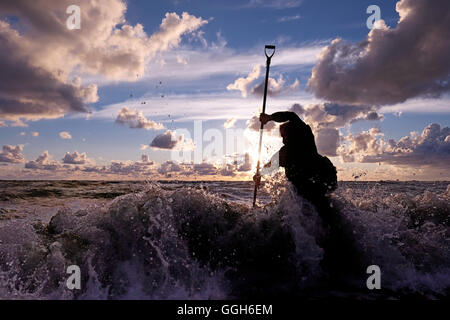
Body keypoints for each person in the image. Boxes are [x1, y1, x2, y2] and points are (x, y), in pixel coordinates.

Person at [253, 111, 337, 208]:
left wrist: (270, 117)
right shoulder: (290, 149)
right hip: (319, 179)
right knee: (317, 200)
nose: (283, 139)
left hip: (321, 176)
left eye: (284, 135)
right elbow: (271, 165)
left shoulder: (303, 138)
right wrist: (259, 174)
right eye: (282, 136)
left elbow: (291, 115)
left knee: (315, 197)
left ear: (293, 131)